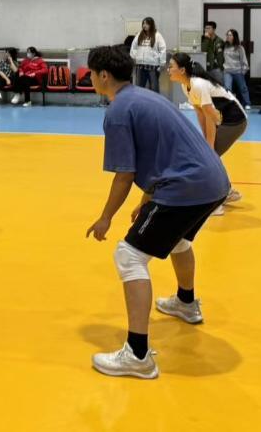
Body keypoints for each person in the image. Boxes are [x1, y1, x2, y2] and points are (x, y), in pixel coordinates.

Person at [84, 46, 230, 379]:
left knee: (128, 256)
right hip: (214, 181)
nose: (90, 79)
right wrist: (148, 199)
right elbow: (164, 152)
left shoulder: (118, 110)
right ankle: (186, 303)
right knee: (177, 239)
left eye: (91, 73)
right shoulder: (145, 97)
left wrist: (106, 217)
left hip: (186, 186)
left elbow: (124, 174)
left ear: (103, 75)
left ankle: (137, 355)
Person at [167, 53, 246, 215]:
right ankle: (227, 191)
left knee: (208, 157)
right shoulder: (186, 86)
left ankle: (217, 202)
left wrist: (209, 145)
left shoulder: (198, 85)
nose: (168, 70)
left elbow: (211, 116)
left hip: (235, 121)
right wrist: (205, 141)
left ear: (182, 70)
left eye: (171, 66)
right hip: (220, 121)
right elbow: (201, 113)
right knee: (207, 155)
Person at [129, 18, 167, 92]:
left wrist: (162, 63)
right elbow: (133, 47)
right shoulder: (139, 35)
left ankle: (154, 100)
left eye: (147, 23)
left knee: (154, 88)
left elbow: (162, 49)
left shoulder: (157, 35)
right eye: (143, 23)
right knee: (139, 88)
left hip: (153, 66)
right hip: (140, 66)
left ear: (151, 24)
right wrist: (134, 57)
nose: (144, 25)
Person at [222, 29, 251, 108]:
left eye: (230, 35)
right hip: (227, 71)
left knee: (243, 88)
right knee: (227, 88)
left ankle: (247, 103)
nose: (228, 36)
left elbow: (244, 60)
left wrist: (243, 71)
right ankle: (228, 103)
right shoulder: (225, 46)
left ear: (234, 36)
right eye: (227, 35)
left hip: (238, 71)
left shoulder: (240, 48)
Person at [200, 21, 225, 86]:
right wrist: (207, 39)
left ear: (214, 29)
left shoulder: (219, 40)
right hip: (205, 67)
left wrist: (221, 67)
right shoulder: (203, 39)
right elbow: (203, 50)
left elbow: (221, 55)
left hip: (217, 68)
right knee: (207, 87)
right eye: (205, 28)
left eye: (209, 28)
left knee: (220, 86)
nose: (206, 30)